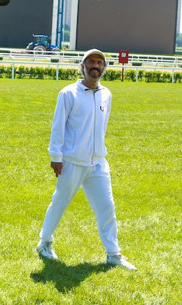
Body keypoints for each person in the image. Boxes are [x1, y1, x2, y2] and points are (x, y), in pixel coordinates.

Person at [35, 48, 137, 270]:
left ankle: (113, 254)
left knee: (107, 207)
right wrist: (56, 157)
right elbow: (58, 127)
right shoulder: (68, 94)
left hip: (98, 163)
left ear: (104, 68)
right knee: (59, 202)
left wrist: (98, 153)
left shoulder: (106, 94)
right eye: (91, 62)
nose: (95, 66)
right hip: (72, 161)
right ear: (82, 67)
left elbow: (102, 128)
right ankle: (44, 243)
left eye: (99, 63)